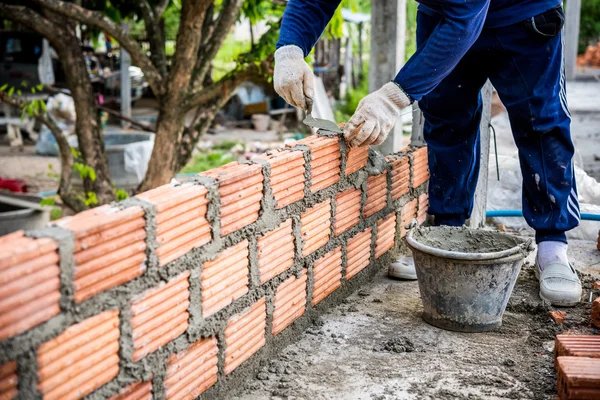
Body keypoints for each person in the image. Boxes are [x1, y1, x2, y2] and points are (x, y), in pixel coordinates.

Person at [273, 0, 582, 306]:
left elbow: (466, 19)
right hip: (443, 12)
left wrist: (393, 98)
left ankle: (553, 246)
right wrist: (289, 50)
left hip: (522, 14)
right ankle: (447, 235)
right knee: (446, 119)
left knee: (542, 124)